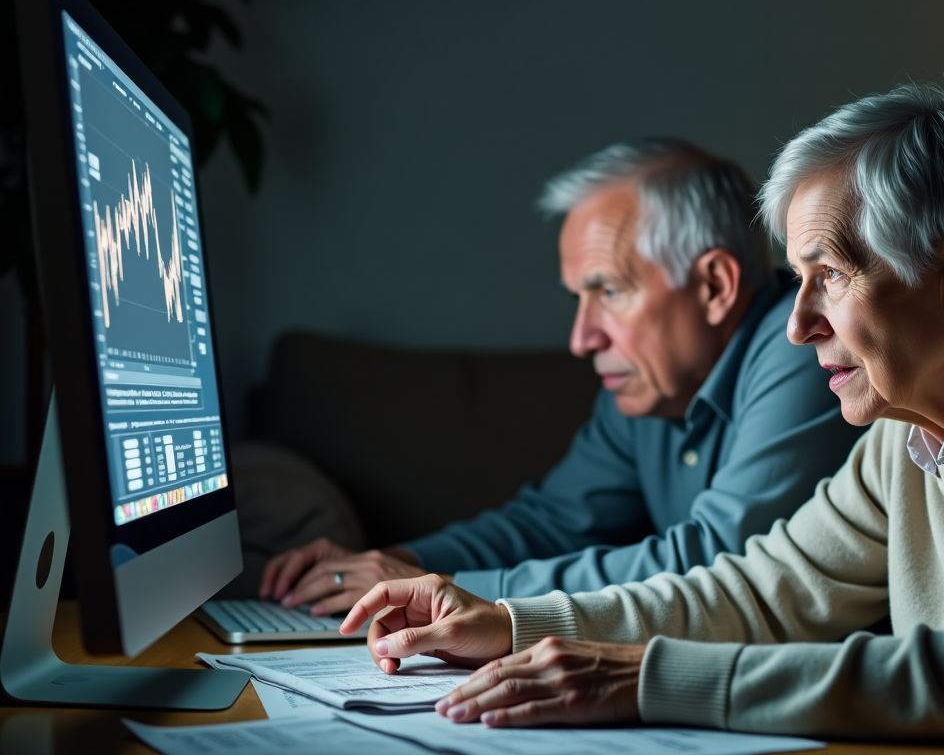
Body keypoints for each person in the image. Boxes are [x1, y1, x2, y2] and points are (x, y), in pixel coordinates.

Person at [339, 85, 944, 752]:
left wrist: (641, 679)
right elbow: (764, 592)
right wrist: (510, 624)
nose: (797, 324)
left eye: (827, 275)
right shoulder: (915, 427)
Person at [260, 138, 862, 614]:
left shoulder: (803, 344)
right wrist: (393, 559)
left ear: (714, 286)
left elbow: (719, 559)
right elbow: (549, 521)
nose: (582, 339)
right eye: (579, 298)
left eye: (608, 290)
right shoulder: (650, 387)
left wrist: (440, 586)